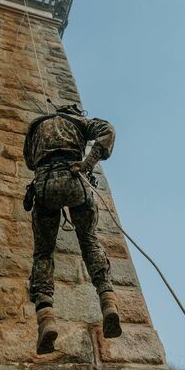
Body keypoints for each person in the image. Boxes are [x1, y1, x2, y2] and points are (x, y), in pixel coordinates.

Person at [23, 103, 121, 354]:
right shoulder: (79, 123)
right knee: (89, 241)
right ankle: (108, 301)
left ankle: (46, 317)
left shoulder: (36, 126)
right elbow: (108, 130)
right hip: (75, 180)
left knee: (43, 253)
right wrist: (88, 162)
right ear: (75, 112)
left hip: (44, 186)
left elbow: (30, 162)